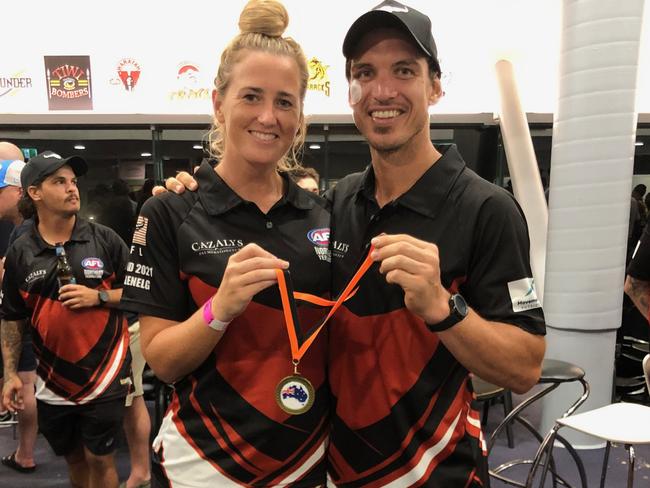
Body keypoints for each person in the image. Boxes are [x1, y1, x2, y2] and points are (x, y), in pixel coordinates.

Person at [164, 1, 546, 485]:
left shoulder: (488, 209)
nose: (382, 90)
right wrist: (190, 194)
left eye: (404, 70)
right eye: (365, 72)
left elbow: (525, 367)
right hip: (334, 470)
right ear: (350, 92)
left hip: (437, 474)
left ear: (435, 86)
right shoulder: (336, 204)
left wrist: (443, 307)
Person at [120, 1, 330, 486]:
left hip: (310, 462)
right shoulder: (169, 211)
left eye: (285, 101)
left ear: (300, 116)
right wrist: (221, 307)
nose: (268, 116)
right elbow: (162, 360)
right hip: (205, 464)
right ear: (218, 102)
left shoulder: (324, 214)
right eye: (251, 96)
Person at [1, 151, 131, 488]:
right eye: (59, 182)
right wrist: (10, 374)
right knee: (74, 458)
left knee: (101, 460)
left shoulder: (105, 240)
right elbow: (13, 317)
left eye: (73, 181)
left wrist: (98, 296)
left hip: (104, 376)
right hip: (51, 382)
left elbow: (142, 294)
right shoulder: (21, 251)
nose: (72, 189)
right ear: (34, 192)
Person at [0, 144, 39, 474]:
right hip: (25, 317)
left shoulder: (26, 232)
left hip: (25, 320)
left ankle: (26, 453)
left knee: (25, 383)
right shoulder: (23, 229)